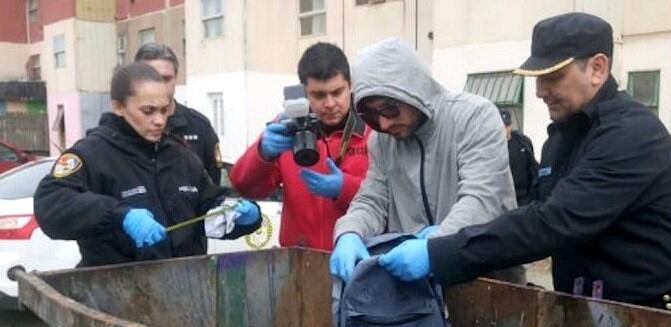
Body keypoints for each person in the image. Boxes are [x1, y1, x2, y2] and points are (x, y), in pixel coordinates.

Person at [377, 13, 671, 313]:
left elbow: (553, 223)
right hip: (589, 316)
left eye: (552, 77)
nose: (540, 91)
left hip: (655, 320)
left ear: (597, 68)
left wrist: (439, 253)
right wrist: (450, 237)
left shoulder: (631, 135)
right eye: (538, 78)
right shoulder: (561, 138)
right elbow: (534, 211)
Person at [34, 63, 262, 327]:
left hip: (187, 315)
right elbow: (52, 206)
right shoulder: (91, 156)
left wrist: (239, 212)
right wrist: (119, 215)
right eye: (148, 111)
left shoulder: (182, 157)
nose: (159, 120)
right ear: (119, 106)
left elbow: (210, 201)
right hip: (120, 319)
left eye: (165, 109)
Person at [330, 37, 524, 284]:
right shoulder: (381, 141)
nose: (384, 124)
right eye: (371, 116)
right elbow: (372, 200)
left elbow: (483, 199)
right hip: (420, 289)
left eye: (390, 109)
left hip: (488, 279)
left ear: (413, 92)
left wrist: (434, 248)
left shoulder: (473, 116)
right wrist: (349, 232)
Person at [230, 42, 371, 250]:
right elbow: (245, 186)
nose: (330, 103)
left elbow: (391, 198)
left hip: (358, 258)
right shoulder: (289, 131)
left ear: (351, 86)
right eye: (319, 95)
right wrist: (262, 153)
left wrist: (345, 188)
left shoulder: (374, 131)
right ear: (304, 93)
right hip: (300, 264)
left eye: (337, 92)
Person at [135, 43, 224, 184]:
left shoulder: (198, 126)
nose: (160, 85)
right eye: (152, 78)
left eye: (166, 79)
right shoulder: (124, 127)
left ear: (175, 79)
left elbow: (214, 185)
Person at [500, 109, 538, 206]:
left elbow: (532, 164)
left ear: (511, 126)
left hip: (524, 197)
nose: (504, 129)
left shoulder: (522, 142)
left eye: (506, 126)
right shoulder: (492, 147)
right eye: (501, 126)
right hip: (503, 198)